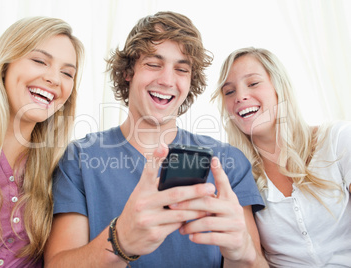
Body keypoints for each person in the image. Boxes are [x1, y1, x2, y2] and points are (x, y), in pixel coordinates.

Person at [44, 11, 268, 268]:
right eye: (153, 64)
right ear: (129, 72)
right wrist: (119, 242)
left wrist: (243, 253)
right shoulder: (80, 159)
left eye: (181, 69)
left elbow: (255, 263)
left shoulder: (228, 163)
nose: (167, 80)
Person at [0, 16, 84, 267]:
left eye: (67, 73)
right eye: (39, 61)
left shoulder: (63, 171)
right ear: (4, 65)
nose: (54, 79)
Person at [212, 47, 351, 267]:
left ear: (279, 87)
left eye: (253, 83)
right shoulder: (237, 174)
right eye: (229, 92)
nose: (240, 96)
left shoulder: (338, 140)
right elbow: (251, 260)